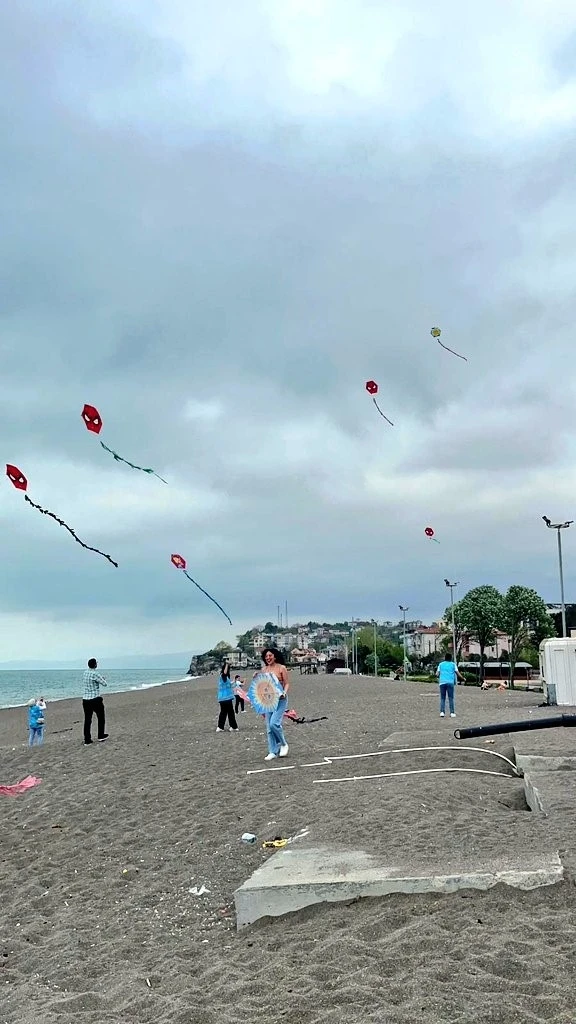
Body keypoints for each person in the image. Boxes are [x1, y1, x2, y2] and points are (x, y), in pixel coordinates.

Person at [258, 648, 290, 762]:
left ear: (275, 656)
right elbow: (262, 685)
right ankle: (272, 751)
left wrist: (284, 693)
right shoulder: (264, 670)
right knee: (269, 728)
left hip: (281, 699)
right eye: (266, 656)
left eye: (270, 656)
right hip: (269, 700)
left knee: (274, 724)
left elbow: (286, 683)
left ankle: (283, 744)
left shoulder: (282, 668)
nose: (268, 658)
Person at [82, 658, 109, 744]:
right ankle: (100, 735)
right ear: (95, 665)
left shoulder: (85, 673)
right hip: (95, 699)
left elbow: (90, 682)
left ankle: (87, 739)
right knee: (101, 717)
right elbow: (104, 684)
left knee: (87, 720)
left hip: (86, 699)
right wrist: (103, 679)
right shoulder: (95, 673)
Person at [217, 661, 238, 732]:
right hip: (225, 698)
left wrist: (235, 681)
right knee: (229, 712)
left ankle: (220, 727)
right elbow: (225, 673)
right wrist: (227, 664)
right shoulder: (223, 676)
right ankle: (233, 727)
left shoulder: (226, 679)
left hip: (225, 698)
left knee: (224, 712)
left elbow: (230, 685)